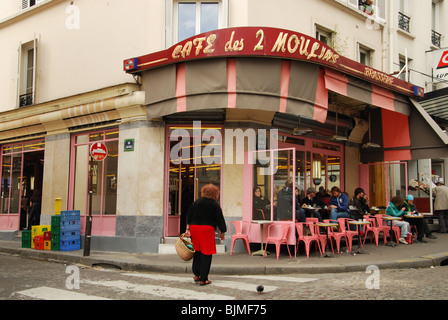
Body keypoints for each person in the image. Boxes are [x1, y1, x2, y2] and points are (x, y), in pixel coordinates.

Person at [184, 184, 226, 286]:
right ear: (215, 194)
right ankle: (204, 278)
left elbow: (189, 216)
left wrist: (187, 229)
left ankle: (196, 275)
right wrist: (222, 231)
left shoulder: (196, 203)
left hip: (195, 229)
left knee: (197, 251)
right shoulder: (214, 205)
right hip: (207, 230)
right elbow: (219, 219)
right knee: (206, 253)